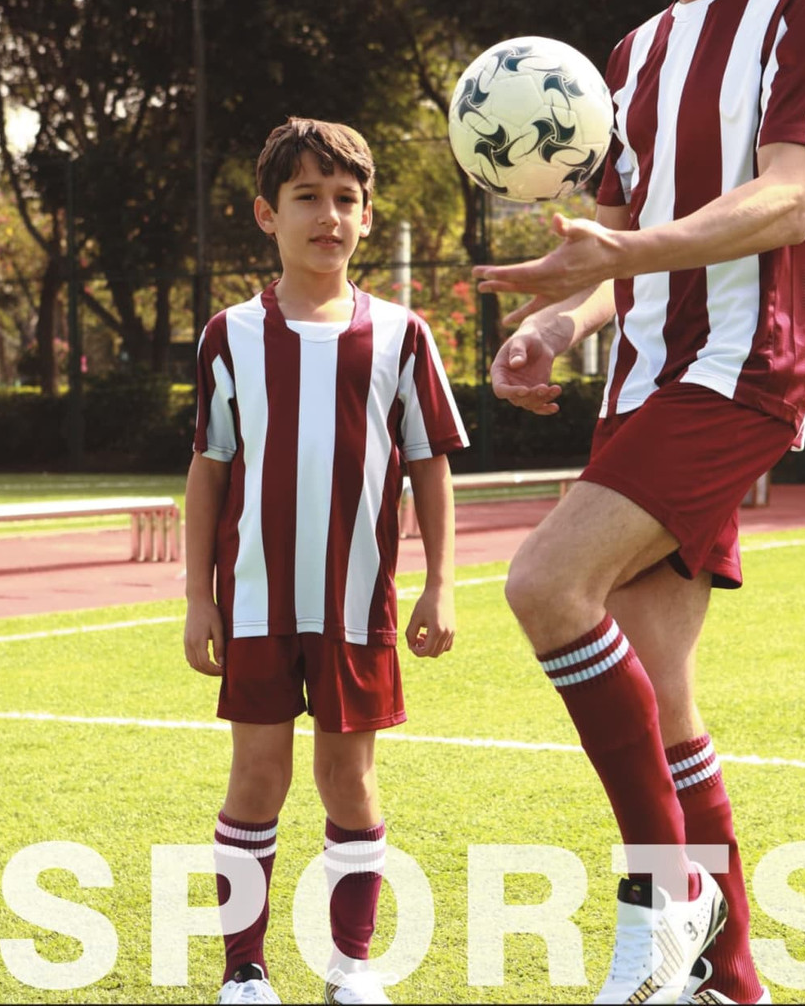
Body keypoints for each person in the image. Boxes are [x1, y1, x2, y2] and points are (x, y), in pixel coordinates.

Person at [474, 0, 805, 1006]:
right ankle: (730, 980)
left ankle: (668, 889)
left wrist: (629, 253)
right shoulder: (629, 56)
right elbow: (611, 250)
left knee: (543, 580)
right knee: (665, 691)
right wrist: (559, 319)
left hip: (739, 373)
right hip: (646, 380)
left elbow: (790, 195)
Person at [185, 117, 468, 1006]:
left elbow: (429, 465)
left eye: (346, 199)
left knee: (349, 778)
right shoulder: (228, 334)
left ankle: (352, 968)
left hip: (358, 606)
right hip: (259, 604)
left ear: (369, 217)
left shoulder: (401, 334)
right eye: (307, 197)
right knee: (256, 777)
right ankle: (245, 973)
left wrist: (442, 583)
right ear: (267, 215)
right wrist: (199, 598)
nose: (329, 216)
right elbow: (209, 470)